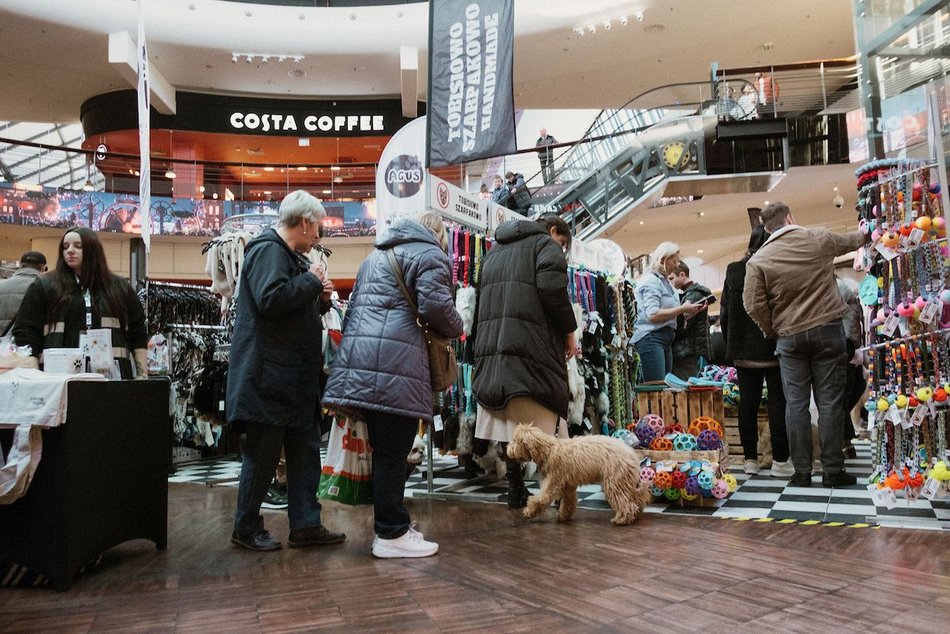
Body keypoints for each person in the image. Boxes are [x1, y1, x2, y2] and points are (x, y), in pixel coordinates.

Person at [323, 213, 462, 559]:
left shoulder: (375, 256)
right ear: (439, 234)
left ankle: (391, 524)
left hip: (364, 361)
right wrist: (459, 325)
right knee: (393, 451)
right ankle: (391, 532)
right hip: (398, 363)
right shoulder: (430, 254)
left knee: (386, 448)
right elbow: (436, 307)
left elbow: (354, 310)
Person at [227, 190, 345, 552]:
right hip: (270, 378)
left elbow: (287, 306)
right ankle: (246, 527)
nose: (319, 235)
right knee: (263, 455)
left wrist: (319, 298)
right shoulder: (268, 250)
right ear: (305, 222)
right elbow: (271, 298)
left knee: (304, 452)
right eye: (318, 226)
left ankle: (306, 524)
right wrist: (312, 281)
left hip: (292, 378)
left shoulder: (287, 255)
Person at [743, 201, 868, 488]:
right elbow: (855, 240)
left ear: (766, 228)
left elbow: (752, 304)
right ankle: (833, 469)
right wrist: (870, 229)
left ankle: (801, 471)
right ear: (789, 217)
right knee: (830, 402)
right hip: (827, 331)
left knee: (795, 404)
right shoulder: (818, 238)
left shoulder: (758, 261)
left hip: (789, 338)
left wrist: (771, 328)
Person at [472, 214, 577, 508]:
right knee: (548, 427)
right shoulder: (545, 246)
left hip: (495, 351)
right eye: (562, 242)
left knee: (509, 426)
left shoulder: (495, 251)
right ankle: (556, 493)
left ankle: (515, 488)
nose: (561, 248)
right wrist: (570, 330)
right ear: (553, 231)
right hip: (532, 349)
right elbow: (552, 291)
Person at [14, 227, 147, 378]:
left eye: (78, 246)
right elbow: (26, 331)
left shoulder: (120, 287)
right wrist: (32, 375)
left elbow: (138, 333)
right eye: (65, 247)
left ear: (93, 250)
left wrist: (142, 376)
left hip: (112, 379)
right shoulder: (44, 285)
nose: (70, 251)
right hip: (57, 377)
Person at [721, 225, 791, 477]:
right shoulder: (777, 268)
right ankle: (780, 461)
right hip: (773, 348)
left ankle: (749, 459)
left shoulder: (734, 270)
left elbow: (725, 313)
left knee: (747, 405)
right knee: (778, 405)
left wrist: (731, 342)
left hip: (743, 350)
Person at [632, 242, 704, 382]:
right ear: (663, 260)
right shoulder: (651, 281)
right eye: (674, 261)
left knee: (664, 386)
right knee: (657, 387)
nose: (677, 265)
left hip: (664, 338)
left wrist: (689, 312)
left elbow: (668, 313)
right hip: (652, 337)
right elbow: (652, 315)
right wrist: (683, 309)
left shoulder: (664, 282)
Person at [670, 261, 712, 380]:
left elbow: (682, 324)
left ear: (682, 275)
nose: (670, 282)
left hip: (687, 351)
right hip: (689, 349)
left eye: (672, 278)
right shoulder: (692, 294)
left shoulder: (693, 296)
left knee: (684, 385)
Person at [0, 251, 46, 334]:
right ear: (43, 268)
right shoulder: (45, 288)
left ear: (21, 265)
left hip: (3, 340)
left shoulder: (1, 286)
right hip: (30, 340)